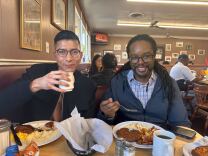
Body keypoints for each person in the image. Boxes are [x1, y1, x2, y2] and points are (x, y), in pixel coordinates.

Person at [0, 30, 96, 123]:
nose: (69, 58)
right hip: (34, 136)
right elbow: (3, 104)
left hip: (68, 138)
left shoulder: (88, 85)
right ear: (55, 55)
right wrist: (37, 84)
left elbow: (88, 123)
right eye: (62, 52)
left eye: (74, 52)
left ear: (80, 55)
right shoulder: (37, 72)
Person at [98, 34, 190, 127]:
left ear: (154, 56)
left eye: (146, 56)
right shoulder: (117, 82)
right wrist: (108, 115)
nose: (141, 62)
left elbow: (180, 122)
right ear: (129, 58)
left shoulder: (169, 84)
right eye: (134, 57)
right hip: (125, 137)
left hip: (159, 138)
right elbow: (102, 122)